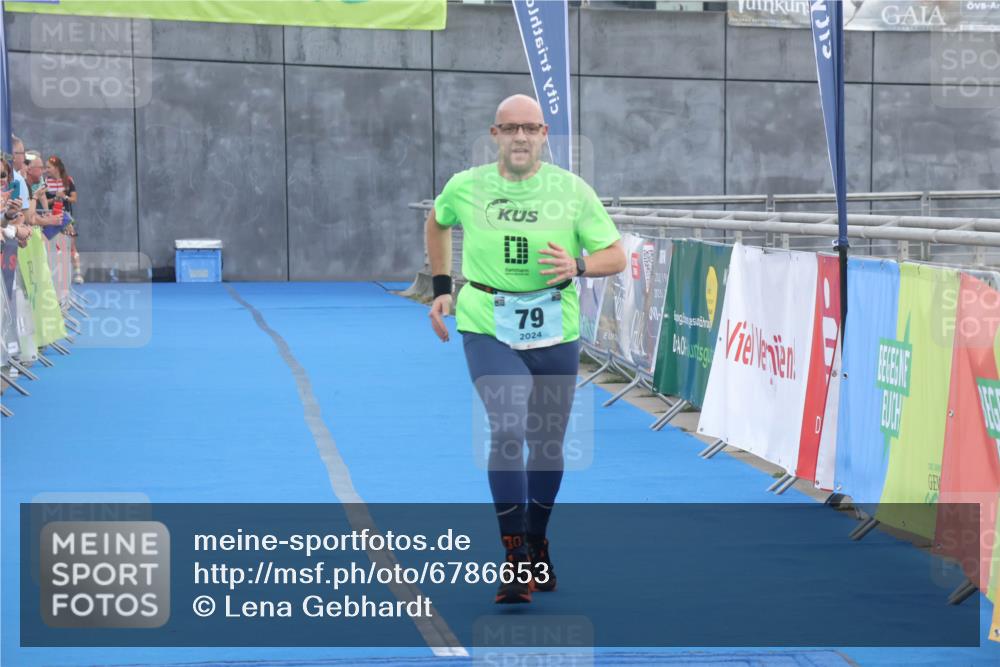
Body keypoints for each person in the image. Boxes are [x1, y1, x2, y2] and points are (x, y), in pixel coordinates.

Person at [426, 94, 626, 604]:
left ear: (543, 136)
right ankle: (515, 556)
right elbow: (437, 221)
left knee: (549, 442)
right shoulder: (467, 185)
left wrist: (579, 267)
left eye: (531, 128)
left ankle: (537, 539)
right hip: (486, 322)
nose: (520, 136)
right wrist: (442, 286)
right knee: (510, 425)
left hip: (555, 329)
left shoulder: (572, 191)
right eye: (510, 128)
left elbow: (615, 254)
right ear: (494, 135)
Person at [45, 154, 82, 283]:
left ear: (56, 168)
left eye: (49, 167)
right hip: (51, 218)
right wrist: (55, 198)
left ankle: (77, 273)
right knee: (56, 247)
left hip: (66, 217)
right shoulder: (46, 182)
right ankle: (59, 277)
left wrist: (64, 197)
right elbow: (45, 201)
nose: (46, 170)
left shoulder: (68, 180)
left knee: (71, 245)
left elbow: (74, 198)